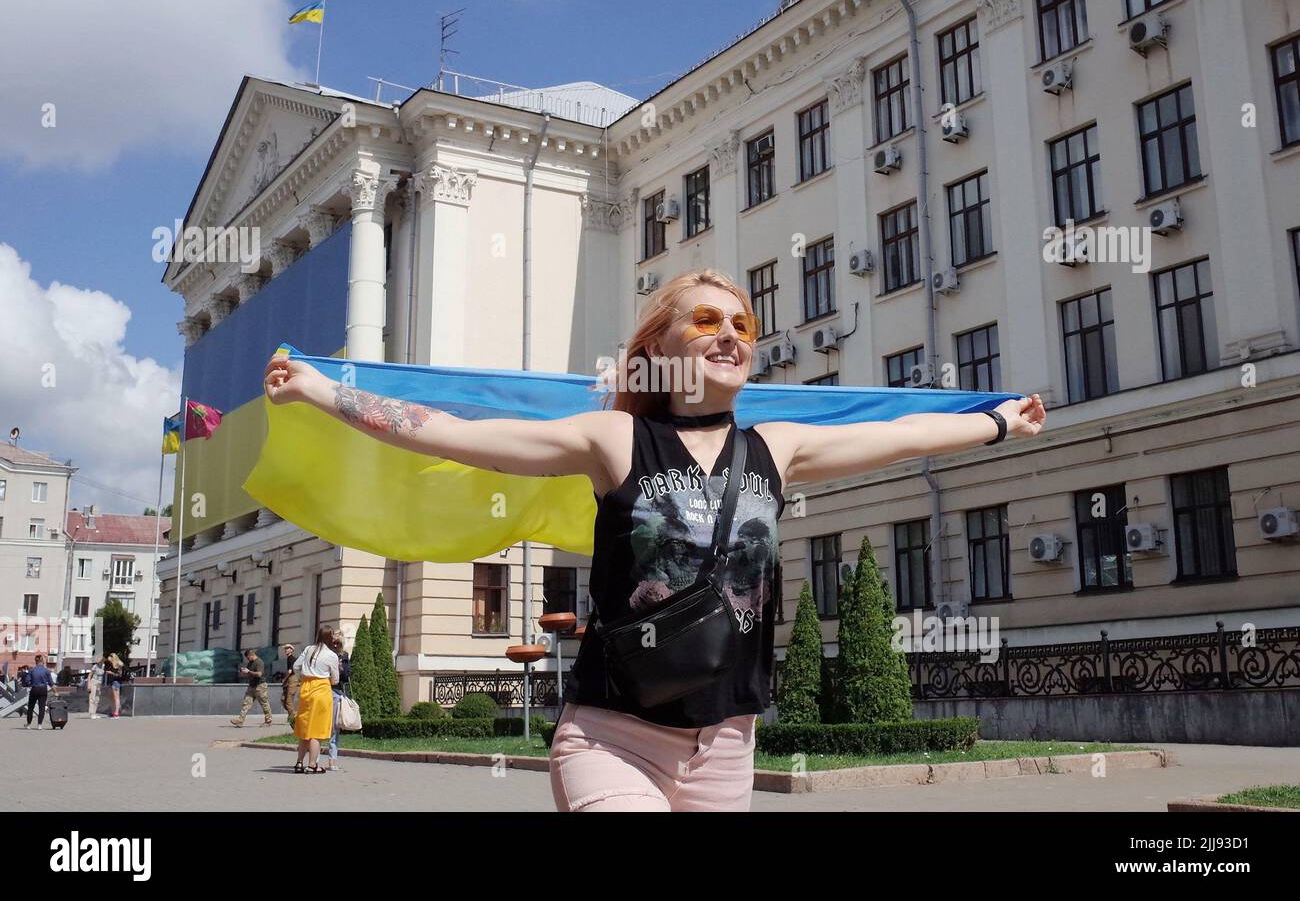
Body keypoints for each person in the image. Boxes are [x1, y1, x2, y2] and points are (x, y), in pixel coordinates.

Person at [262, 269, 1046, 810]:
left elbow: (904, 434)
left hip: (727, 743)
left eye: (743, 324)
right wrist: (321, 389)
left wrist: (997, 423)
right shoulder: (616, 440)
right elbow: (457, 435)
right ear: (661, 346)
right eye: (706, 320)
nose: (731, 334)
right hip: (613, 733)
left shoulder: (776, 448)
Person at [291, 625, 339, 773]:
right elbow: (335, 679)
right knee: (316, 730)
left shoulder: (308, 649)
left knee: (305, 727)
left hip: (306, 688)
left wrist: (303, 678)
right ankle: (312, 764)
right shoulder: (331, 655)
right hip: (321, 689)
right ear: (330, 638)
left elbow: (296, 666)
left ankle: (299, 762)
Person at [325, 634, 350, 771]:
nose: (335, 646)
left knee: (334, 727)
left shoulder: (344, 656)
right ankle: (314, 759)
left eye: (337, 643)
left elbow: (346, 676)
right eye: (333, 643)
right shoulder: (326, 655)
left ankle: (332, 759)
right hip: (323, 690)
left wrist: (340, 668)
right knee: (321, 724)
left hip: (336, 692)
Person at [230, 649, 273, 727]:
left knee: (264, 703)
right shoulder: (250, 663)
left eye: (248, 657)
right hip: (252, 686)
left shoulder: (259, 662)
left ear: (251, 655)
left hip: (260, 686)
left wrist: (249, 672)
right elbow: (249, 674)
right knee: (246, 703)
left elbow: (259, 674)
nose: (247, 659)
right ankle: (240, 720)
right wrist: (244, 673)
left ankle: (268, 720)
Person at [25, 654, 56, 729]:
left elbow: (27, 681)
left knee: (31, 707)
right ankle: (39, 725)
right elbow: (51, 683)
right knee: (42, 707)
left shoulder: (32, 670)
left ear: (36, 661)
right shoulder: (46, 671)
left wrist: (31, 683)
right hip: (43, 690)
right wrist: (55, 692)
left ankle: (28, 724)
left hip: (34, 689)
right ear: (43, 661)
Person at [279, 644, 299, 729]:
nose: (286, 650)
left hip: (292, 680)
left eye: (287, 649)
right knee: (283, 699)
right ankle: (291, 715)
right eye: (285, 649)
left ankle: (293, 718)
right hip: (290, 680)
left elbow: (290, 671)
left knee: (289, 700)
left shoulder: (291, 658)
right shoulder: (289, 658)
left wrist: (284, 679)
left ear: (291, 650)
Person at [105, 653, 124, 718]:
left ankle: (116, 713)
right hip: (111, 681)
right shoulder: (111, 665)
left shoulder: (119, 665)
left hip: (116, 682)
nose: (109, 662)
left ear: (114, 659)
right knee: (111, 697)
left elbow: (120, 675)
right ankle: (113, 712)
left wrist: (111, 673)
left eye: (110, 660)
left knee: (116, 698)